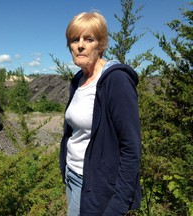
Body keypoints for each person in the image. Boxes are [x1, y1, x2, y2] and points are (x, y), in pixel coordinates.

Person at [59, 11, 142, 216]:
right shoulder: (79, 79)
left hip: (98, 186)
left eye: (89, 39)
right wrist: (65, 168)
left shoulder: (116, 81)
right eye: (74, 39)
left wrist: (119, 205)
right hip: (73, 177)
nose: (80, 45)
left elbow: (131, 149)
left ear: (101, 44)